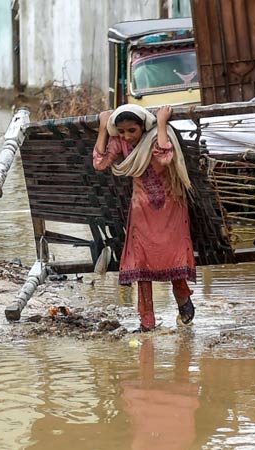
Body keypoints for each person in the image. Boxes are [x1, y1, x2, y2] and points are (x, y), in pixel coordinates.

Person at [93, 104, 196, 332]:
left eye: (132, 130)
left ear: (143, 127)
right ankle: (146, 322)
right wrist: (103, 128)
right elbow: (100, 162)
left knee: (171, 257)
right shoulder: (120, 143)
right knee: (142, 265)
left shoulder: (156, 136)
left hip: (171, 207)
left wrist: (160, 123)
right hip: (141, 210)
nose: (127, 136)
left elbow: (166, 156)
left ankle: (182, 298)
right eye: (122, 132)